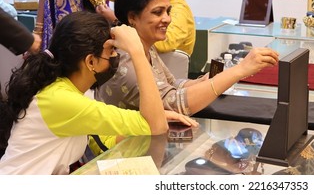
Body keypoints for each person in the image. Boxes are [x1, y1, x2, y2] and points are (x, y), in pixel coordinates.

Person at [0, 11, 196, 175]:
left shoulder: (76, 91)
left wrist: (152, 117)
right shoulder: (62, 100)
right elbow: (156, 127)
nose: (115, 57)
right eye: (111, 51)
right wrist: (136, 51)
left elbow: (105, 140)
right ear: (90, 62)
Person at [68, 0, 279, 115]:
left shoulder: (145, 48)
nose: (167, 19)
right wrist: (240, 70)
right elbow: (175, 103)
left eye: (168, 12)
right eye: (158, 12)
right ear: (132, 17)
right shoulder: (122, 59)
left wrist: (207, 80)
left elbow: (173, 83)